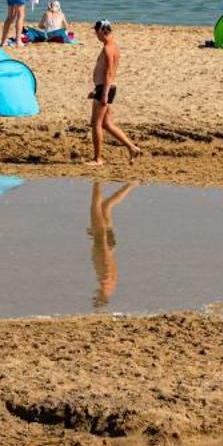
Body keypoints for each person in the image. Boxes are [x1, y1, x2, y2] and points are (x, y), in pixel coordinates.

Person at [89, 20, 140, 165]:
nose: (95, 35)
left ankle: (98, 159)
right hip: (105, 87)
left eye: (96, 31)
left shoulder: (108, 48)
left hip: (105, 88)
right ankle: (132, 147)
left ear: (101, 31)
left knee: (96, 124)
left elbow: (109, 71)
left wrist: (103, 93)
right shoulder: (112, 46)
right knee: (107, 124)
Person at [87, 179, 136, 310]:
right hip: (102, 244)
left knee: (106, 206)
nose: (95, 295)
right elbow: (106, 265)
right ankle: (97, 181)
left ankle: (131, 184)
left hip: (107, 245)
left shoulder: (110, 288)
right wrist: (101, 240)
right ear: (102, 298)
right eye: (97, 297)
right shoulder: (105, 285)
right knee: (95, 207)